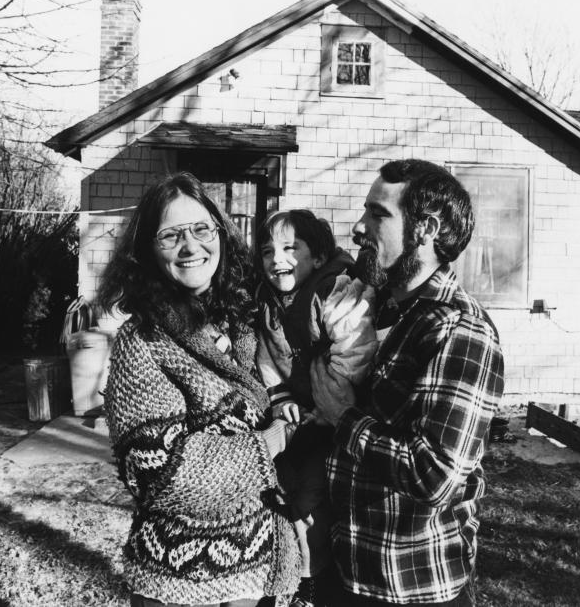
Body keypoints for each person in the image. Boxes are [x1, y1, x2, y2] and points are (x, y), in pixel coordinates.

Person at [97, 172, 301, 607]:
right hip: (178, 574)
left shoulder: (244, 319)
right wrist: (268, 443)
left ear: (221, 235)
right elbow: (157, 471)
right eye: (170, 236)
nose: (191, 247)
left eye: (201, 229)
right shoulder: (144, 341)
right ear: (147, 252)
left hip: (254, 560)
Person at [311, 159, 505, 606]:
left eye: (378, 215)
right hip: (344, 572)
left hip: (409, 587)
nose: (359, 229)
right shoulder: (377, 311)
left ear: (426, 229)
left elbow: (434, 474)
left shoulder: (459, 330)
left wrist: (344, 418)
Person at [254, 209, 377, 607]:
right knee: (290, 499)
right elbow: (268, 358)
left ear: (319, 257)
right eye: (269, 250)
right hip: (299, 418)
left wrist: (329, 401)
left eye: (291, 248)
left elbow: (355, 347)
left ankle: (315, 583)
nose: (278, 259)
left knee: (318, 503)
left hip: (336, 416)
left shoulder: (334, 289)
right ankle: (297, 574)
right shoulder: (270, 303)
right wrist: (281, 397)